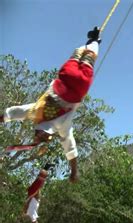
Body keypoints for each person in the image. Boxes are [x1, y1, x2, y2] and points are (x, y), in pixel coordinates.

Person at [0, 26, 102, 183]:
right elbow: (14, 113)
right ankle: (91, 41)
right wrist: (2, 119)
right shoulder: (37, 111)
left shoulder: (61, 126)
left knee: (89, 58)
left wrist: (74, 172)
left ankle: (95, 41)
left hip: (80, 85)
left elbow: (71, 149)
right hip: (66, 76)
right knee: (77, 55)